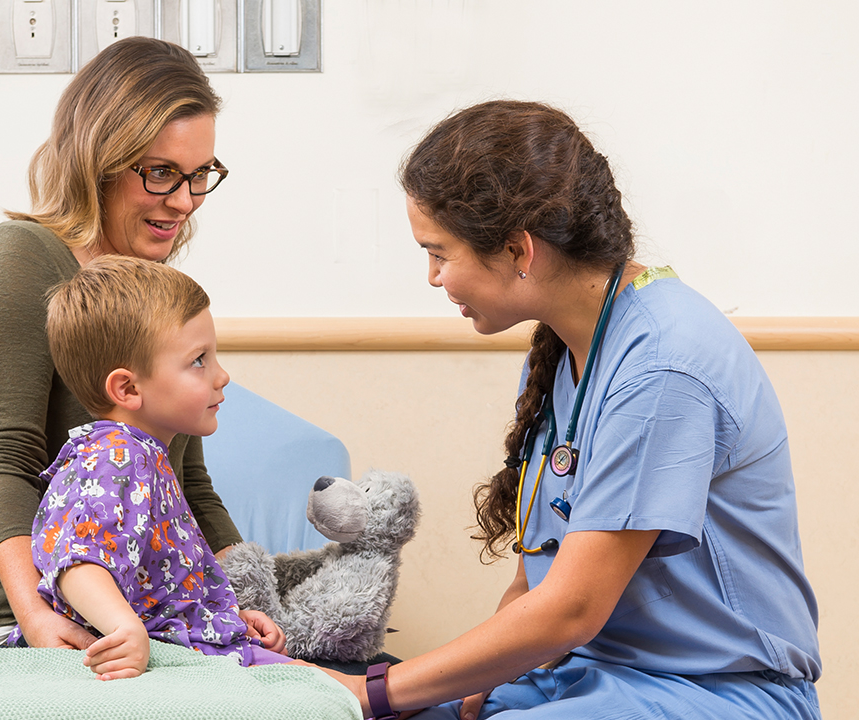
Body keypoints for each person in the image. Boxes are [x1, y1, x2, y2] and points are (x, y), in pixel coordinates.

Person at [331, 101, 822, 719]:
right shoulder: (566, 351)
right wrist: (469, 683)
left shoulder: (663, 368)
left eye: (440, 253)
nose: (433, 277)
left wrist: (372, 692)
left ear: (518, 250)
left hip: (715, 693)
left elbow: (570, 607)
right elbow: (537, 579)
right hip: (584, 675)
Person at [0, 38, 244, 651]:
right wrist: (36, 619)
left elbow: (189, 486)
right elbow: (3, 461)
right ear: (98, 160)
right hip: (3, 610)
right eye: (162, 172)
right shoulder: (16, 262)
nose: (185, 201)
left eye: (201, 175)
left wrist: (247, 601)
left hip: (126, 613)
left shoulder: (147, 286)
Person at [3, 255, 291, 679]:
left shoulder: (143, 456)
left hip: (186, 639)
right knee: (324, 690)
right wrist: (124, 629)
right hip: (146, 656)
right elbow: (77, 562)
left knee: (313, 682)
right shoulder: (117, 460)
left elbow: (164, 581)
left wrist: (229, 617)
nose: (221, 375)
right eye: (199, 360)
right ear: (128, 388)